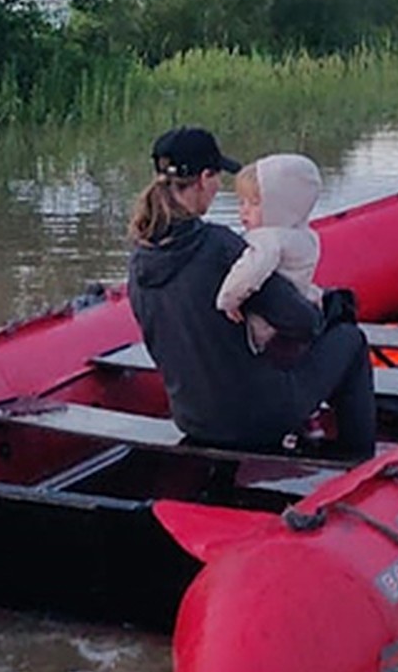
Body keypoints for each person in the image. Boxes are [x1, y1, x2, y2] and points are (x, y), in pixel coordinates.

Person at [127, 126, 375, 456]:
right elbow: (303, 323)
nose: (219, 189)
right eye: (217, 179)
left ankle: (219, 478)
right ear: (204, 178)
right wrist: (324, 307)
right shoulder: (222, 249)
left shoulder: (139, 260)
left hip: (191, 419)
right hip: (261, 418)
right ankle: (358, 461)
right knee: (350, 340)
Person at [216, 154, 323, 354]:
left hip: (265, 333)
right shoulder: (306, 236)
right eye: (242, 202)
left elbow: (249, 272)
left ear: (282, 205)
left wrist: (227, 300)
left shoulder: (267, 239)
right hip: (291, 326)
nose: (244, 211)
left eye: (254, 204)